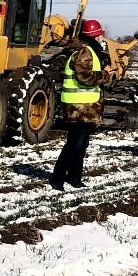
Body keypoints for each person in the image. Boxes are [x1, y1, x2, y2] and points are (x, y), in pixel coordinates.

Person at [50, 19, 109, 190]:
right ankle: (57, 178)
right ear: (95, 36)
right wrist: (105, 76)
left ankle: (75, 178)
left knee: (81, 144)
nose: (101, 38)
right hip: (79, 107)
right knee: (75, 144)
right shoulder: (85, 52)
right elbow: (85, 77)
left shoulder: (85, 50)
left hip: (83, 106)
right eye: (99, 35)